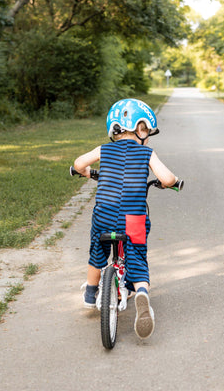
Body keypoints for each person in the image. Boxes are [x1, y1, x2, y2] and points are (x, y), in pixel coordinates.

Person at [73, 98, 178, 339]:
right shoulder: (146, 152)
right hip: (133, 219)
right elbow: (169, 179)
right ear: (140, 129)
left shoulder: (104, 149)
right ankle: (141, 292)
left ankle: (91, 293)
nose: (148, 136)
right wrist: (167, 183)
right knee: (137, 258)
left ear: (114, 128)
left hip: (104, 216)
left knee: (96, 250)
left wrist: (87, 172)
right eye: (148, 132)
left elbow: (78, 163)